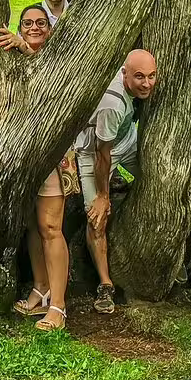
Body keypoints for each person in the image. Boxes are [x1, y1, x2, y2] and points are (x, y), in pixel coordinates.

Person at [0, 5, 69, 330]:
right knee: (30, 226)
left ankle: (60, 306)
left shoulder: (59, 60)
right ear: (20, 27)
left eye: (41, 23)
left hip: (53, 157)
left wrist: (25, 49)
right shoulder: (12, 60)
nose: (35, 27)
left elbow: (48, 86)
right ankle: (41, 288)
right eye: (27, 24)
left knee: (51, 228)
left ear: (49, 29)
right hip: (21, 157)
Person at [74, 49, 157, 314]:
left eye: (152, 76)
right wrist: (102, 195)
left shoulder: (135, 89)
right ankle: (105, 284)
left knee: (159, 177)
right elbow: (102, 154)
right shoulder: (113, 104)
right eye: (140, 77)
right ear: (124, 74)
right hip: (93, 152)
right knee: (96, 218)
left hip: (125, 140)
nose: (147, 83)